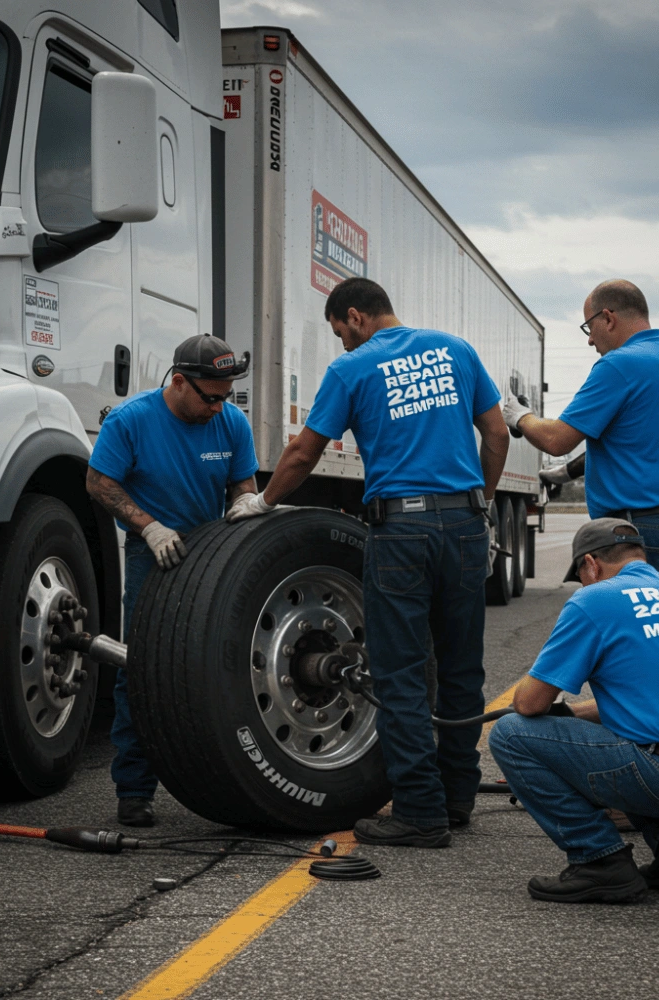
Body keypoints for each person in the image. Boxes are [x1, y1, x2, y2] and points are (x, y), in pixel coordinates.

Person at [227, 277, 510, 847]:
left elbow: (306, 450)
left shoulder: (352, 371)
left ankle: (420, 814)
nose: (343, 345)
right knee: (461, 668)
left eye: (341, 334)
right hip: (462, 524)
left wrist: (263, 500)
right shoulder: (456, 350)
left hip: (402, 528)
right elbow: (497, 433)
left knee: (399, 672)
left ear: (355, 316)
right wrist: (479, 498)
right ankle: (456, 798)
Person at [489, 519, 659, 903]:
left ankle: (599, 861)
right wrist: (574, 718)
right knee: (641, 735)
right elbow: (657, 697)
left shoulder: (596, 599)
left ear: (591, 564)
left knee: (511, 734)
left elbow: (530, 703)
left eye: (580, 575)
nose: (582, 583)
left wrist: (550, 715)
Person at [86, 335, 258, 827]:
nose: (218, 408)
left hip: (214, 552)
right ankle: (135, 790)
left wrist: (246, 505)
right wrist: (148, 525)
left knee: (219, 667)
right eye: (210, 397)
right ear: (179, 382)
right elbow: (98, 482)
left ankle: (228, 778)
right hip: (154, 553)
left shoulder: (231, 422)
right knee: (141, 668)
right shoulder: (131, 421)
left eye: (226, 397)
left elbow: (243, 485)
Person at [503, 279, 659, 583]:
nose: (590, 341)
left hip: (644, 531)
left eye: (589, 328)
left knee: (635, 628)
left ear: (608, 318)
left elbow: (557, 438)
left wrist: (520, 417)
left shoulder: (620, 364)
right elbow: (641, 446)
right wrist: (565, 472)